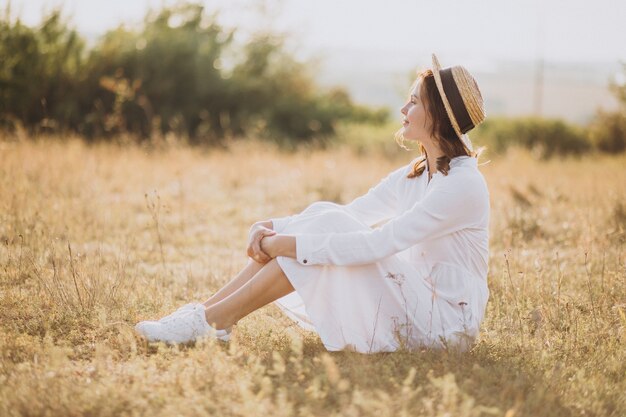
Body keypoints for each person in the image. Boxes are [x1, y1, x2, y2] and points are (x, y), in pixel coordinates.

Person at [135, 54, 490, 353]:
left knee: (322, 233)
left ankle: (213, 321)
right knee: (325, 214)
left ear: (438, 118)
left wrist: (285, 244)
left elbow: (380, 243)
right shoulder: (414, 174)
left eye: (414, 102)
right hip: (414, 299)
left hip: (444, 324)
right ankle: (207, 314)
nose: (403, 107)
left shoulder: (463, 185)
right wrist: (272, 227)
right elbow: (350, 215)